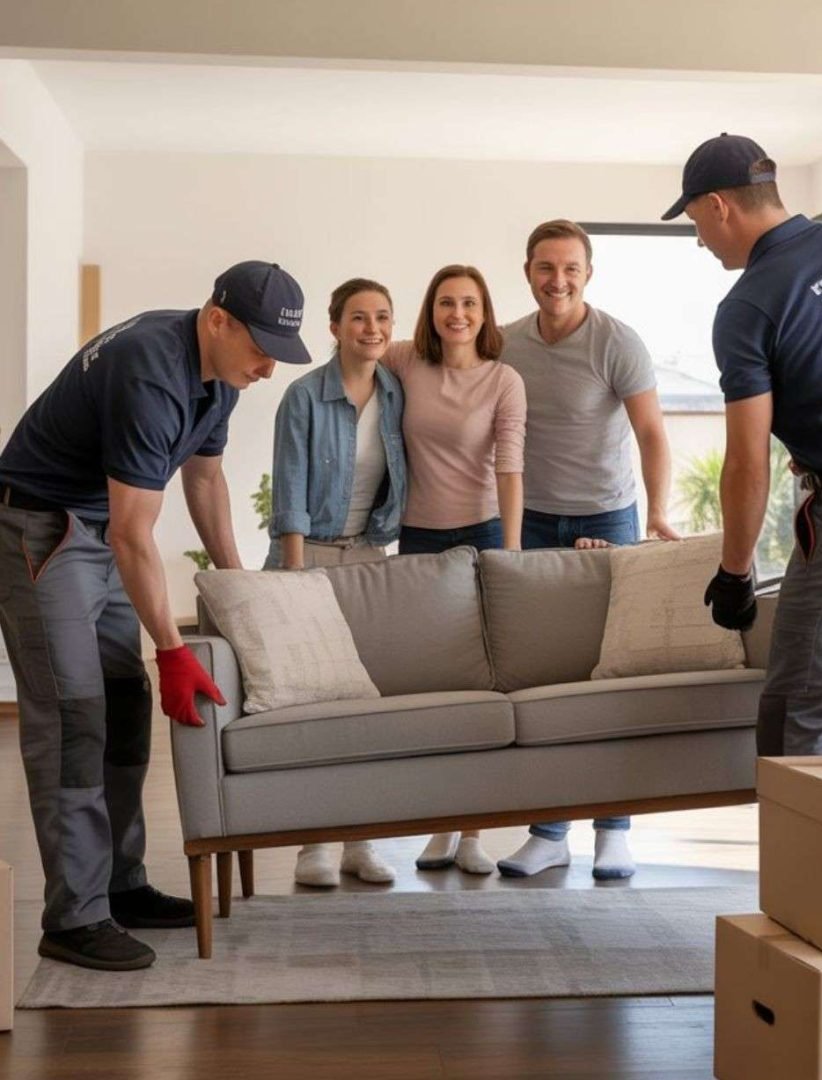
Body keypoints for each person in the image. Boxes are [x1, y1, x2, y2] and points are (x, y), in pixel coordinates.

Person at [0, 260, 309, 971]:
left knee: (124, 699)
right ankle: (73, 919)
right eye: (260, 346)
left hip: (96, 528)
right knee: (74, 715)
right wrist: (171, 648)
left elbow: (204, 479)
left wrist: (236, 590)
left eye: (278, 353)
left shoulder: (220, 377)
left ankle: (120, 883)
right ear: (217, 318)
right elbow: (134, 535)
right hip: (41, 533)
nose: (268, 366)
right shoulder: (150, 372)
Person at [663, 132, 822, 760]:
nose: (700, 238)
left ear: (718, 205)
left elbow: (746, 460)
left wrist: (735, 571)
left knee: (801, 713)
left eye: (696, 219)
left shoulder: (749, 304)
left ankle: (801, 863)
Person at [497, 219, 679, 881]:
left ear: (588, 273)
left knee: (610, 676)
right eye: (546, 267)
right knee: (545, 678)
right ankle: (548, 833)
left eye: (571, 268)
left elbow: (652, 433)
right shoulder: (508, 343)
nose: (558, 280)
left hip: (609, 517)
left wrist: (656, 512)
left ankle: (615, 832)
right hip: (534, 522)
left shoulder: (617, 342)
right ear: (528, 271)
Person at [383, 264, 526, 875]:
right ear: (432, 309)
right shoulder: (405, 360)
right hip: (417, 537)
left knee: (481, 688)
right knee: (429, 689)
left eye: (469, 303)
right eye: (446, 302)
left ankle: (473, 833)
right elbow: (352, 352)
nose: (457, 314)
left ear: (485, 312)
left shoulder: (505, 379)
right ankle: (435, 825)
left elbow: (511, 467)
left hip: (484, 533)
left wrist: (511, 555)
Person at [265, 277, 406, 888]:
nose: (370, 328)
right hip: (309, 557)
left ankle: (360, 842)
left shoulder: (396, 393)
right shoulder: (302, 395)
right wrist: (296, 576)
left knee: (369, 709)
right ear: (333, 326)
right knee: (316, 710)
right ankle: (312, 846)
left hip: (370, 557)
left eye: (381, 317)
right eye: (357, 318)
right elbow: (288, 490)